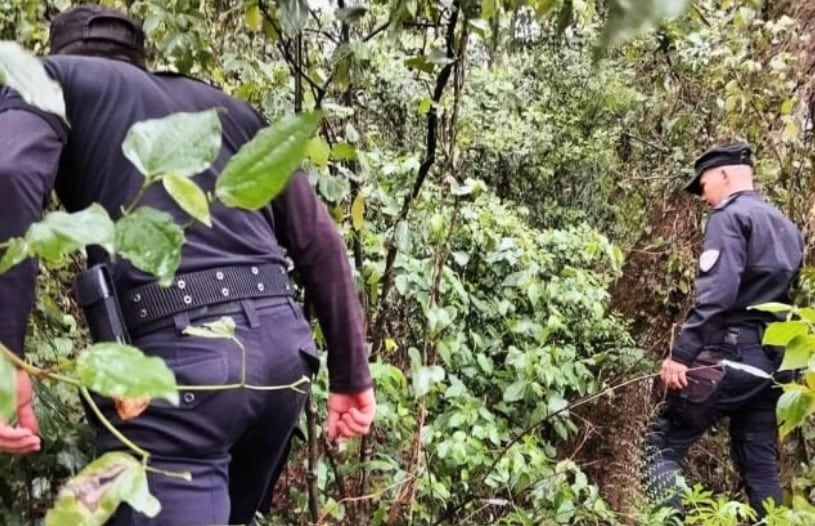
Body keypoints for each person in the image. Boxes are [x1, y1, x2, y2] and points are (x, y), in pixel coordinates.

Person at [0, 5, 376, 525]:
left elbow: (11, 170)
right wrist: (353, 373)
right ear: (138, 58)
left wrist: (8, 360)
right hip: (284, 363)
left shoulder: (50, 81)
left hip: (183, 372)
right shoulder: (225, 109)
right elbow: (319, 240)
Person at [644, 142, 804, 519]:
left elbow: (717, 296)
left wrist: (681, 356)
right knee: (760, 464)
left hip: (729, 357)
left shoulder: (729, 217)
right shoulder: (786, 226)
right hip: (773, 367)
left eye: (702, 185)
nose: (702, 196)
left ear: (724, 174)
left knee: (659, 447)